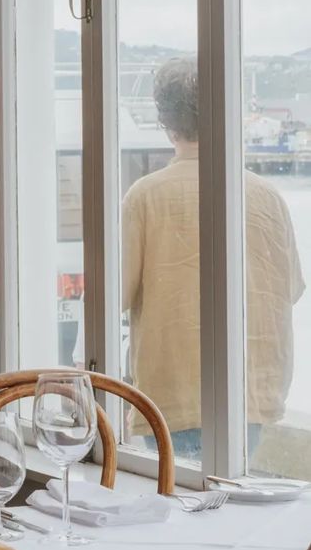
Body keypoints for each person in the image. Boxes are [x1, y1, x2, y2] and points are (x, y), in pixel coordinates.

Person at [123, 57, 303, 460]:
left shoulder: (144, 196)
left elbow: (116, 294)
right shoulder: (265, 195)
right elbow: (290, 289)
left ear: (166, 123)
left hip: (171, 394)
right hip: (248, 390)